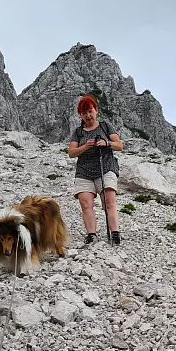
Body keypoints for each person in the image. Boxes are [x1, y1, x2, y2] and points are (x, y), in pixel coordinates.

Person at [68, 95, 124, 245]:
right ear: (80, 115)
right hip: (84, 172)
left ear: (96, 111)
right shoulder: (78, 132)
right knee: (86, 204)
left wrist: (106, 143)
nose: (88, 115)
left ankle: (115, 233)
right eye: (84, 113)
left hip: (105, 168)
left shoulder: (105, 126)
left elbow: (119, 145)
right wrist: (86, 146)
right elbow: (71, 152)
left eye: (90, 111)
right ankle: (91, 234)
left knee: (109, 201)